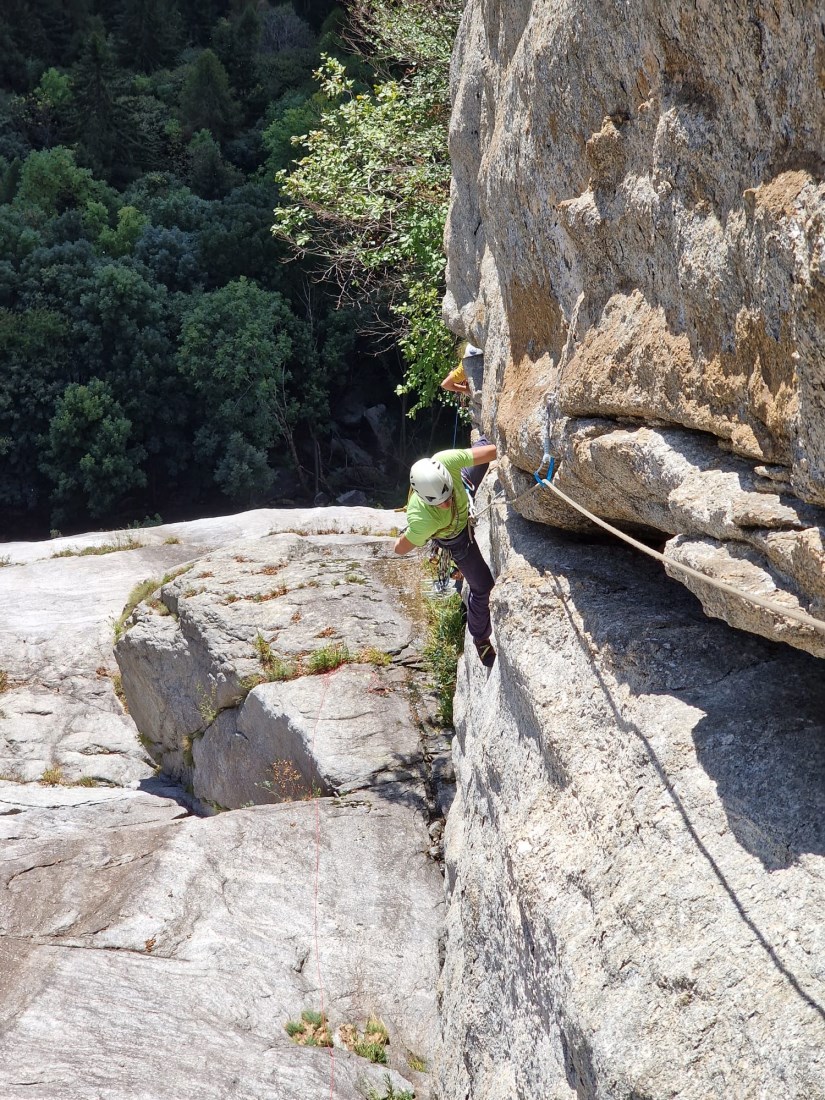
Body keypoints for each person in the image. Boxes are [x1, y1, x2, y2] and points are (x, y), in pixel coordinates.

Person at [394, 440, 498, 668]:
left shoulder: (446, 460)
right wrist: (413, 533)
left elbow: (493, 451)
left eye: (447, 496)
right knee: (483, 588)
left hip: (464, 489)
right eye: (439, 503)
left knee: (484, 444)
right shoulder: (422, 519)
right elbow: (399, 549)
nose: (446, 504)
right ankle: (480, 637)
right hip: (457, 540)